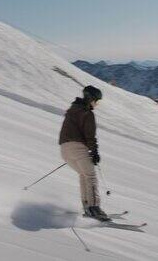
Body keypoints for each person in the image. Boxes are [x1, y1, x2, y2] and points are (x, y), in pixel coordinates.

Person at [58, 85, 110, 222]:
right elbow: (90, 136)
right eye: (96, 101)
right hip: (77, 147)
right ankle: (94, 208)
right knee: (91, 176)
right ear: (90, 98)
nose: (96, 104)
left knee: (84, 174)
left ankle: (87, 206)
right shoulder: (87, 113)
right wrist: (94, 152)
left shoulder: (72, 110)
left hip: (64, 149)